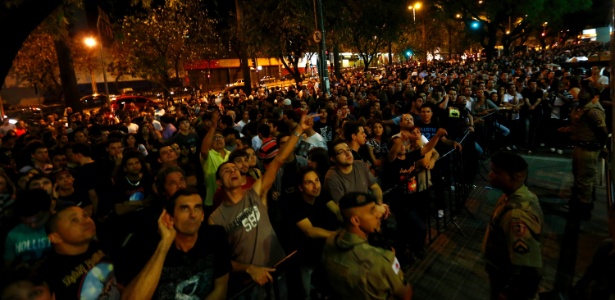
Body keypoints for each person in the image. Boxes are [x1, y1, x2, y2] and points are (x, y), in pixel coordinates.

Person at [207, 113, 317, 299]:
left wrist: (298, 130)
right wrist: (249, 268)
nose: (233, 170)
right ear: (219, 183)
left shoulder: (254, 193)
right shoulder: (215, 218)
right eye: (227, 170)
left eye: (235, 169)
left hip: (279, 268)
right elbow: (220, 261)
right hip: (251, 283)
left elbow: (279, 160)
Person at [122, 188, 231, 300]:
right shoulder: (149, 246)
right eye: (184, 209)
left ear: (203, 215)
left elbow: (221, 289)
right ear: (170, 216)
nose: (193, 215)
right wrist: (164, 244)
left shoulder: (216, 236)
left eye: (197, 208)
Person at [321, 192, 412, 300]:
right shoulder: (381, 260)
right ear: (355, 220)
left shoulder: (331, 241)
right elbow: (406, 294)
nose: (378, 215)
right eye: (372, 211)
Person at [483, 151, 544, 300]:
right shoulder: (516, 196)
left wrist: (510, 292)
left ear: (515, 176)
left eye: (496, 172)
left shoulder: (517, 215)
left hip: (509, 283)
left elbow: (528, 267)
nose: (490, 175)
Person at [41, 205, 122, 299]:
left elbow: (114, 284)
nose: (86, 220)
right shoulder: (50, 275)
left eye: (85, 215)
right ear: (56, 237)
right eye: (74, 220)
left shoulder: (96, 245)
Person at [560, 89, 609, 220]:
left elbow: (603, 132)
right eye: (581, 91)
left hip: (589, 149)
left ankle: (584, 209)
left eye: (586, 92)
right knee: (579, 177)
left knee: (585, 180)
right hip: (578, 146)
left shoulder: (593, 111)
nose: (581, 93)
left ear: (592, 96)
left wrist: (601, 146)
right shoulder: (578, 108)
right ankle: (579, 203)